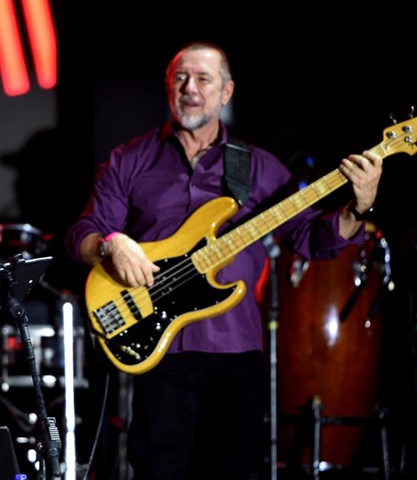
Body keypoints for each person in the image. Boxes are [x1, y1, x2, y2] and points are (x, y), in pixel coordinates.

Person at [63, 41, 382, 479]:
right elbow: (81, 234)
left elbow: (311, 239)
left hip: (237, 352)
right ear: (167, 87)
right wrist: (112, 243)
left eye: (203, 78)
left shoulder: (258, 168)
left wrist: (356, 209)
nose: (190, 88)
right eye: (180, 78)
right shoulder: (128, 160)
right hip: (162, 351)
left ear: (226, 92)